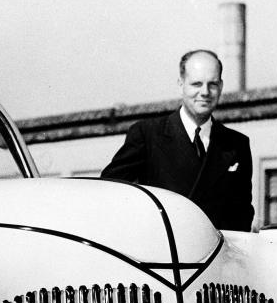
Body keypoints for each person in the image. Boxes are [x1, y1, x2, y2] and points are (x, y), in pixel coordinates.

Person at [102, 49, 254, 231]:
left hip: (214, 254)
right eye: (196, 84)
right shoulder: (148, 134)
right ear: (181, 84)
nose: (205, 92)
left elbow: (243, 213)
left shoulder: (237, 144)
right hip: (163, 251)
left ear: (221, 86)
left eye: (212, 84)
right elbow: (109, 191)